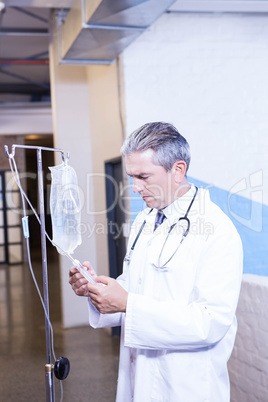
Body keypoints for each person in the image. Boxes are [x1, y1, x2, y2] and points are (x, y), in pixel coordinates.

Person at [69, 122, 243, 402]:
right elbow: (135, 285)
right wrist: (97, 288)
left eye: (143, 176)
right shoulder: (145, 219)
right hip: (140, 374)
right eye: (131, 177)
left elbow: (210, 322)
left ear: (178, 170)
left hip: (186, 383)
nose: (135, 188)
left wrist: (127, 303)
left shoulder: (217, 230)